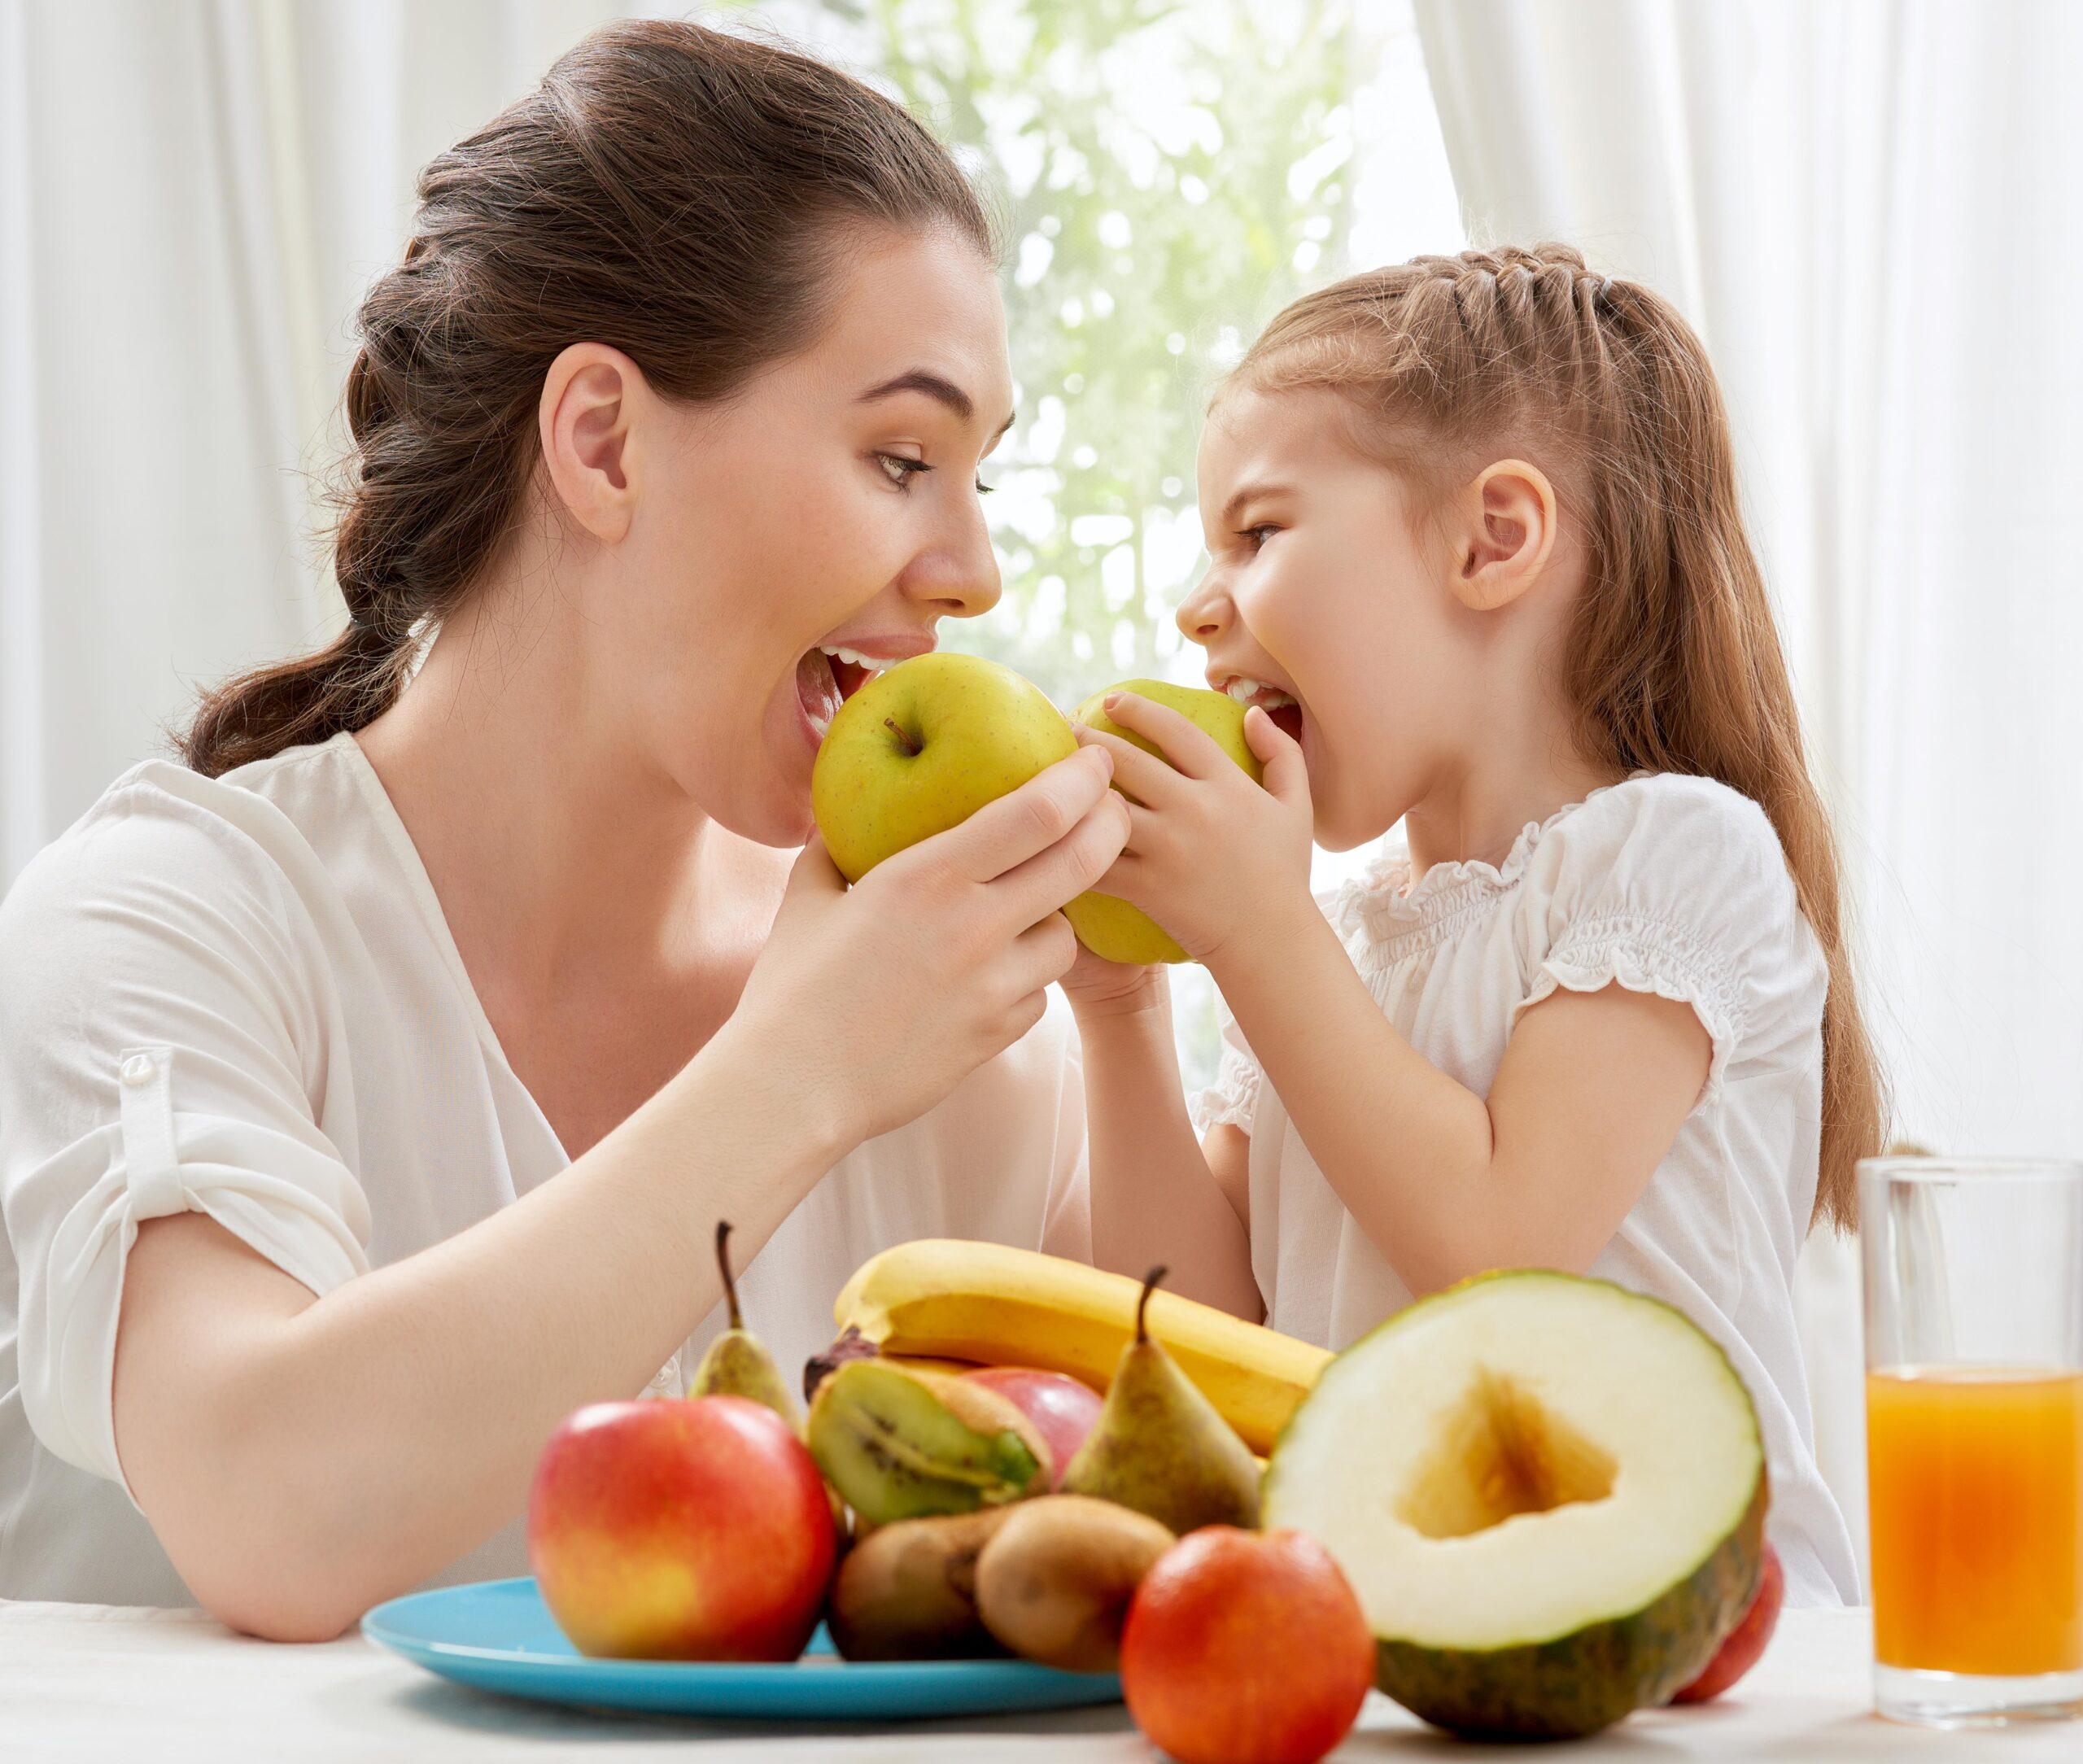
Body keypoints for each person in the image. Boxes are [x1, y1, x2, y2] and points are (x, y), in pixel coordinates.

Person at [0, 20, 1130, 1635]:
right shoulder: (165, 923)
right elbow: (272, 1507)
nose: (971, 572)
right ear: (602, 440)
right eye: (898, 457)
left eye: (977, 482)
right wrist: (796, 1072)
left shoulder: (949, 1036)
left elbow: (1175, 1527)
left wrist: (1137, 993)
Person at [1062, 247, 1885, 1606]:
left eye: (1258, 531)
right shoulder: (1343, 941)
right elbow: (1195, 1336)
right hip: (1417, 1640)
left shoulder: (1673, 854)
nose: (1194, 605)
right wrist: (1121, 1005)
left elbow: (1500, 1249)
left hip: (1683, 1653)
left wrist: (1260, 939)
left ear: (1493, 539)